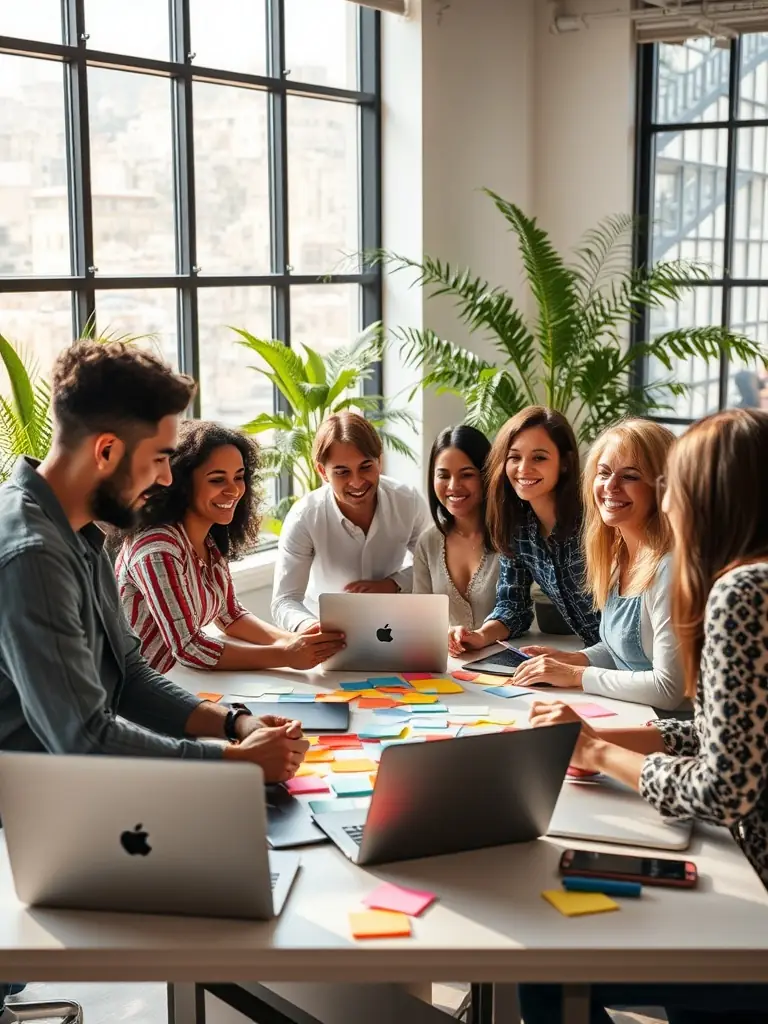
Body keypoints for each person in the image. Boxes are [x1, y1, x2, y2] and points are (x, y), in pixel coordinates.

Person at [522, 407, 768, 1024]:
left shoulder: (741, 592)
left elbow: (725, 787)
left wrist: (604, 754)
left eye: (670, 485)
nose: (666, 503)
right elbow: (729, 736)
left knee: (543, 969)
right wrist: (604, 735)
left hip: (755, 897)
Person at [0, 342, 309, 783]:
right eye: (160, 458)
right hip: (32, 816)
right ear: (106, 451)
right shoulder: (33, 555)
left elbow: (130, 675)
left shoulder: (83, 532)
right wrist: (234, 764)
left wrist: (235, 724)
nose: (167, 478)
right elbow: (84, 738)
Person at [117, 420, 345, 673]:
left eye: (239, 477)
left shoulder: (209, 539)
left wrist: (295, 641)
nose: (235, 490)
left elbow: (230, 615)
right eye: (217, 480)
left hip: (179, 681)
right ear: (182, 484)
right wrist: (286, 655)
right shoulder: (157, 549)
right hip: (136, 694)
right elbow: (189, 648)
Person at [514, 419, 684, 709]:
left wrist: (577, 675)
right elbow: (621, 651)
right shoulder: (619, 555)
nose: (611, 486)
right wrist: (576, 659)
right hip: (632, 713)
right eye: (603, 473)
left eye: (630, 476)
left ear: (662, 487)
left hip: (676, 732)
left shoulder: (670, 569)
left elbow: (668, 689)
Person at [448, 406, 600, 657]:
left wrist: (575, 662)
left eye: (539, 458)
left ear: (564, 463)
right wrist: (479, 636)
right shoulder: (517, 527)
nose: (523, 468)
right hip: (591, 658)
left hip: (630, 662)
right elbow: (513, 606)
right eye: (514, 457)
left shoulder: (594, 521)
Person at [271, 411, 431, 632]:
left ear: (380, 461)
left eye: (365, 467)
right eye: (342, 472)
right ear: (322, 471)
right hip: (325, 633)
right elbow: (285, 600)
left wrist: (392, 584)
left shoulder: (408, 501)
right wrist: (311, 627)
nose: (356, 482)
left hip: (393, 628)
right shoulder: (305, 517)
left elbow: (432, 566)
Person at [413, 424, 499, 629]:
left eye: (467, 475)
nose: (453, 486)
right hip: (449, 659)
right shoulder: (428, 543)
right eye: (443, 475)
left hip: (510, 658)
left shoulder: (512, 537)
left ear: (486, 475)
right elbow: (419, 622)